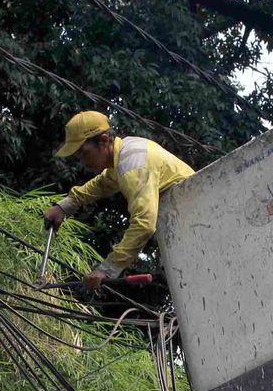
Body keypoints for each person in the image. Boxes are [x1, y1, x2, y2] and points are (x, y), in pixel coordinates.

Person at [43, 111, 196, 290]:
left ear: (103, 140)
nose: (82, 162)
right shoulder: (125, 152)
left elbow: (144, 225)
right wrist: (66, 206)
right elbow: (102, 183)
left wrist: (106, 270)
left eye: (84, 153)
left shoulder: (133, 164)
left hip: (195, 224)